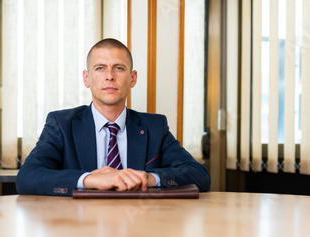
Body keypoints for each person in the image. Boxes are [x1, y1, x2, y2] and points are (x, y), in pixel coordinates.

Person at [16, 38, 210, 196]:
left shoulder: (155, 127)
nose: (109, 76)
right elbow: (27, 177)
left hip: (141, 228)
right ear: (86, 78)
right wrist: (90, 179)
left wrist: (147, 177)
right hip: (78, 228)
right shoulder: (61, 124)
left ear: (132, 78)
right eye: (100, 68)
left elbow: (199, 175)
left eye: (118, 68)